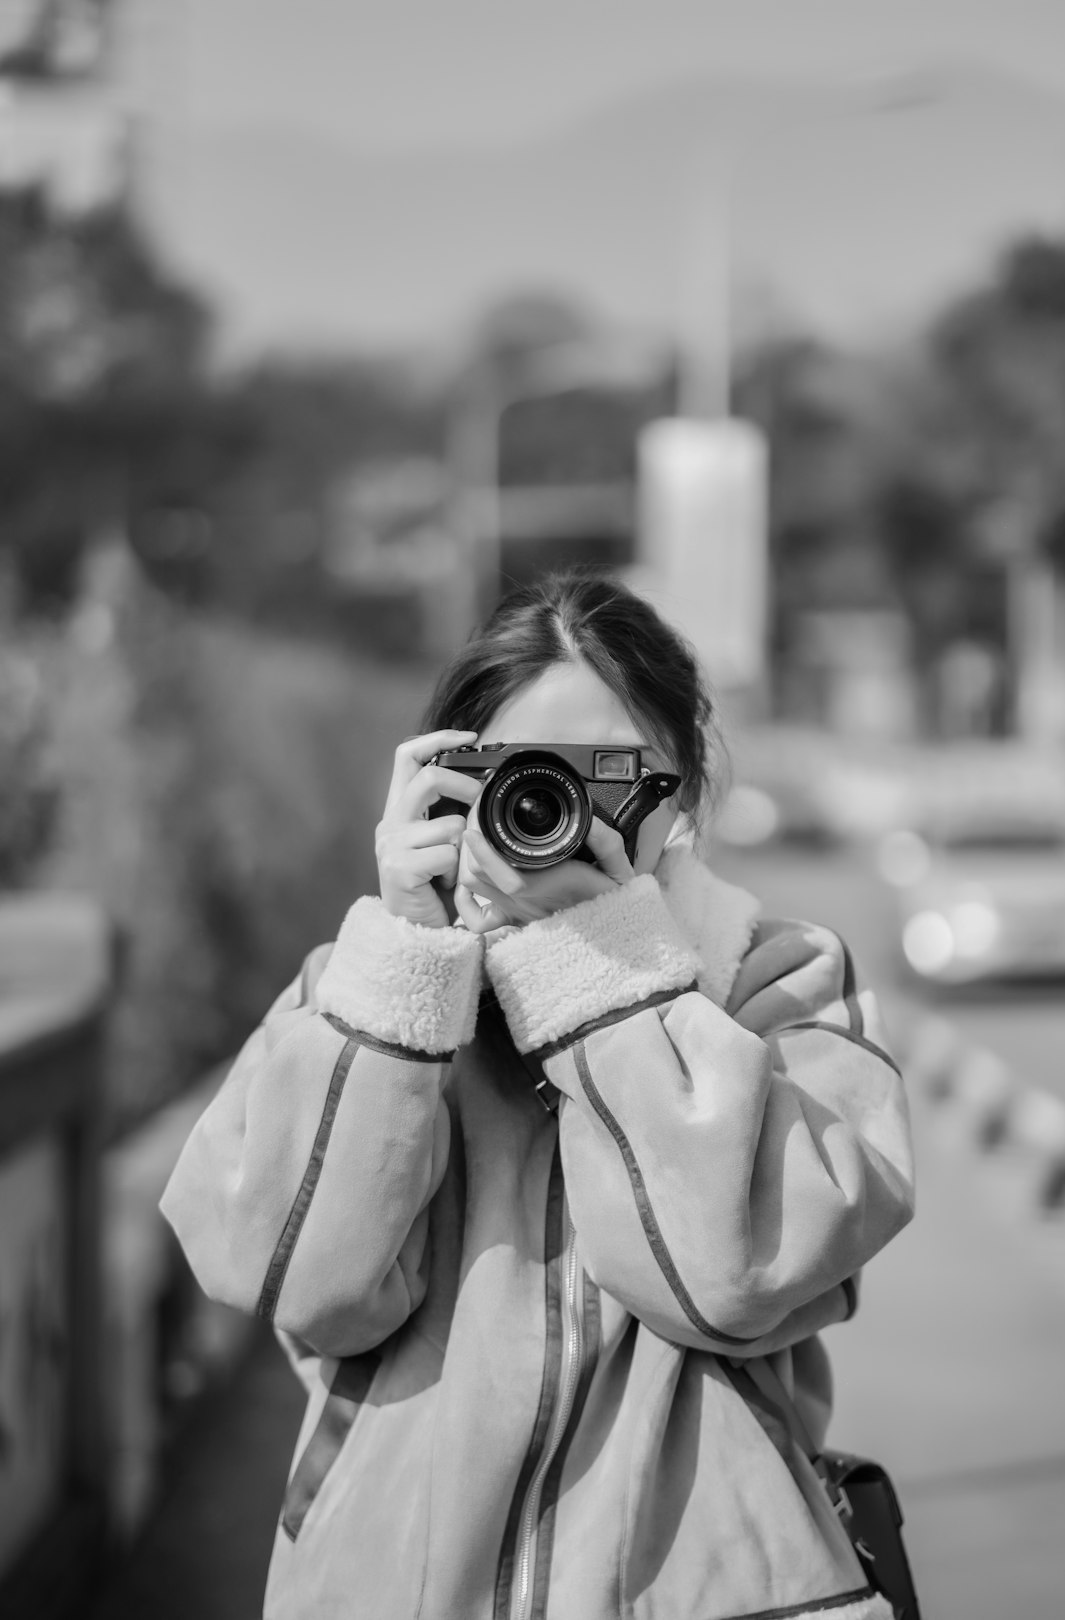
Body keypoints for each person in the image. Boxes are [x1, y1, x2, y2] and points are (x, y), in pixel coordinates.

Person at [161, 571, 914, 1620]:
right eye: (519, 777)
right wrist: (409, 965)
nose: (554, 816)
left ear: (683, 796)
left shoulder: (776, 982)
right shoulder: (358, 993)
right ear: (441, 784)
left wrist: (604, 974)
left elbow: (731, 1277)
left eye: (607, 779)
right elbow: (305, 1288)